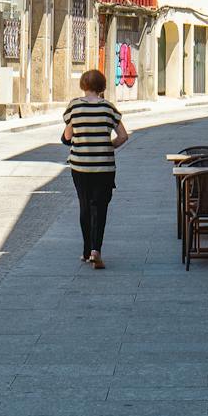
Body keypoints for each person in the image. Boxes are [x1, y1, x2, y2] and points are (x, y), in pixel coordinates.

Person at [62, 68, 128, 270]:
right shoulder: (109, 108)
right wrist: (109, 146)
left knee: (84, 206)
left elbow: (67, 137)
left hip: (80, 167)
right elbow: (123, 136)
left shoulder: (74, 106)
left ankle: (85, 251)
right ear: (102, 86)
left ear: (83, 85)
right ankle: (96, 251)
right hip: (104, 168)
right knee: (100, 208)